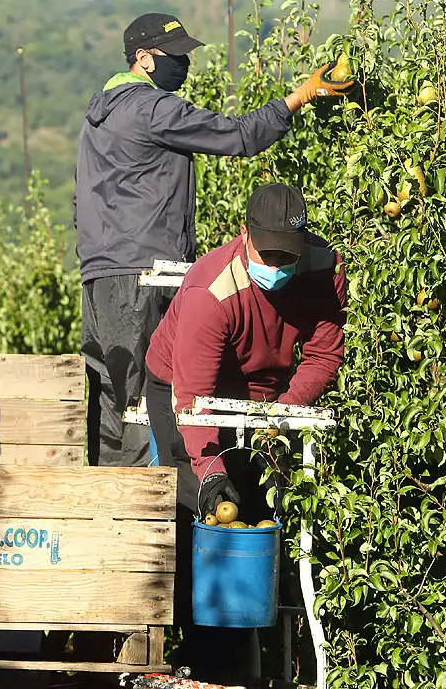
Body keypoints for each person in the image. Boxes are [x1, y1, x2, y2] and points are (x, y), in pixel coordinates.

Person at [74, 12, 352, 468]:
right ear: (143, 59)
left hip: (99, 276)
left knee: (113, 406)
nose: (183, 66)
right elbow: (238, 136)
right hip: (146, 275)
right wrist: (299, 97)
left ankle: (111, 526)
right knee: (154, 410)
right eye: (175, 56)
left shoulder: (97, 117)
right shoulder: (153, 109)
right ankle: (160, 527)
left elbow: (78, 199)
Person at [143, 183, 346, 681]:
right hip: (181, 387)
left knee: (254, 513)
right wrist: (210, 472)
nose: (276, 265)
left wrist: (277, 420)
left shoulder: (323, 270)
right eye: (267, 252)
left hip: (261, 398)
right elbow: (192, 399)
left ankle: (248, 663)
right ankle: (205, 666)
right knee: (203, 518)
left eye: (286, 255)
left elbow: (322, 356)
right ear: (244, 236)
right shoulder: (211, 291)